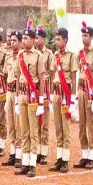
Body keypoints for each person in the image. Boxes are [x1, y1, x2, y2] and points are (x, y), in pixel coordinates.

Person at [15, 25, 44, 178]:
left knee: (33, 132)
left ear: (33, 40)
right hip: (22, 95)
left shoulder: (38, 56)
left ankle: (32, 163)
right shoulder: (20, 55)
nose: (24, 40)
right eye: (23, 38)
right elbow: (18, 76)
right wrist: (16, 99)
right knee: (24, 131)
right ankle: (24, 162)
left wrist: (41, 101)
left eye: (26, 38)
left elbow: (41, 79)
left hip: (33, 95)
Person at [74, 21, 93, 169]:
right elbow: (80, 74)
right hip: (82, 90)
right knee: (81, 124)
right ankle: (84, 155)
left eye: (86, 35)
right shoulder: (80, 53)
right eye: (82, 35)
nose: (84, 38)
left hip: (91, 92)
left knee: (91, 124)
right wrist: (77, 95)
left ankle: (91, 156)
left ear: (91, 37)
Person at [50, 27, 77, 173]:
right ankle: (59, 159)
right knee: (58, 128)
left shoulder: (71, 56)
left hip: (66, 95)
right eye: (56, 39)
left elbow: (73, 78)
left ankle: (65, 160)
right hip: (56, 94)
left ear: (65, 40)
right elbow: (53, 74)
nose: (56, 41)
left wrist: (72, 100)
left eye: (59, 39)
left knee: (66, 129)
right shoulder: (55, 55)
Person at [2, 30, 23, 167]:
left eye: (15, 40)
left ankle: (20, 156)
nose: (11, 42)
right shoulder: (9, 57)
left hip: (18, 93)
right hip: (9, 92)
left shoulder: (22, 57)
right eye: (11, 40)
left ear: (20, 42)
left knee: (19, 125)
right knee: (10, 124)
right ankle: (13, 153)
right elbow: (5, 74)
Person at [34, 26, 53, 165]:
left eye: (38, 38)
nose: (36, 40)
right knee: (35, 122)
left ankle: (44, 152)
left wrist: (50, 95)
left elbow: (51, 76)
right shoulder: (33, 54)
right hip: (35, 91)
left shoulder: (49, 55)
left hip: (45, 91)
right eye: (34, 37)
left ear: (43, 39)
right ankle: (37, 151)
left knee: (44, 123)